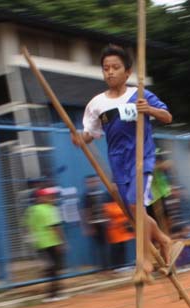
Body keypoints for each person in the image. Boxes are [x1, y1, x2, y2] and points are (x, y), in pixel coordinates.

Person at [73, 44, 175, 273]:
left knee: (134, 203)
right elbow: (92, 133)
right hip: (118, 161)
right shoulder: (96, 104)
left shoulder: (139, 94)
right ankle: (164, 239)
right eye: (106, 68)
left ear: (127, 72)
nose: (109, 72)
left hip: (142, 156)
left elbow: (167, 116)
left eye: (115, 67)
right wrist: (81, 139)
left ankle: (145, 259)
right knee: (132, 211)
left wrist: (148, 109)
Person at [25, 187, 68, 302]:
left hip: (39, 244)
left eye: (52, 196)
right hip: (52, 242)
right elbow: (55, 227)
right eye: (49, 196)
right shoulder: (51, 209)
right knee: (55, 269)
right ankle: (54, 294)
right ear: (41, 198)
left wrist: (33, 239)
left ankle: (54, 292)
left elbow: (28, 227)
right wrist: (62, 242)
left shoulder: (31, 210)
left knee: (51, 268)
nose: (52, 198)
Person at [81, 175, 109, 271]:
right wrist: (88, 227)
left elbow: (106, 208)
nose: (93, 183)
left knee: (105, 246)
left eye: (94, 181)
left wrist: (107, 219)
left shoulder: (102, 193)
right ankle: (101, 269)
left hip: (103, 223)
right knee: (98, 247)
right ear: (87, 183)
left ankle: (106, 267)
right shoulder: (86, 196)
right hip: (94, 224)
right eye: (90, 182)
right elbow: (85, 212)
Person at [104, 200, 135, 272]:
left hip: (123, 228)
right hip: (114, 230)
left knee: (123, 247)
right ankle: (116, 266)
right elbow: (112, 213)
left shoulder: (122, 202)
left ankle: (124, 264)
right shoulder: (109, 204)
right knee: (116, 248)